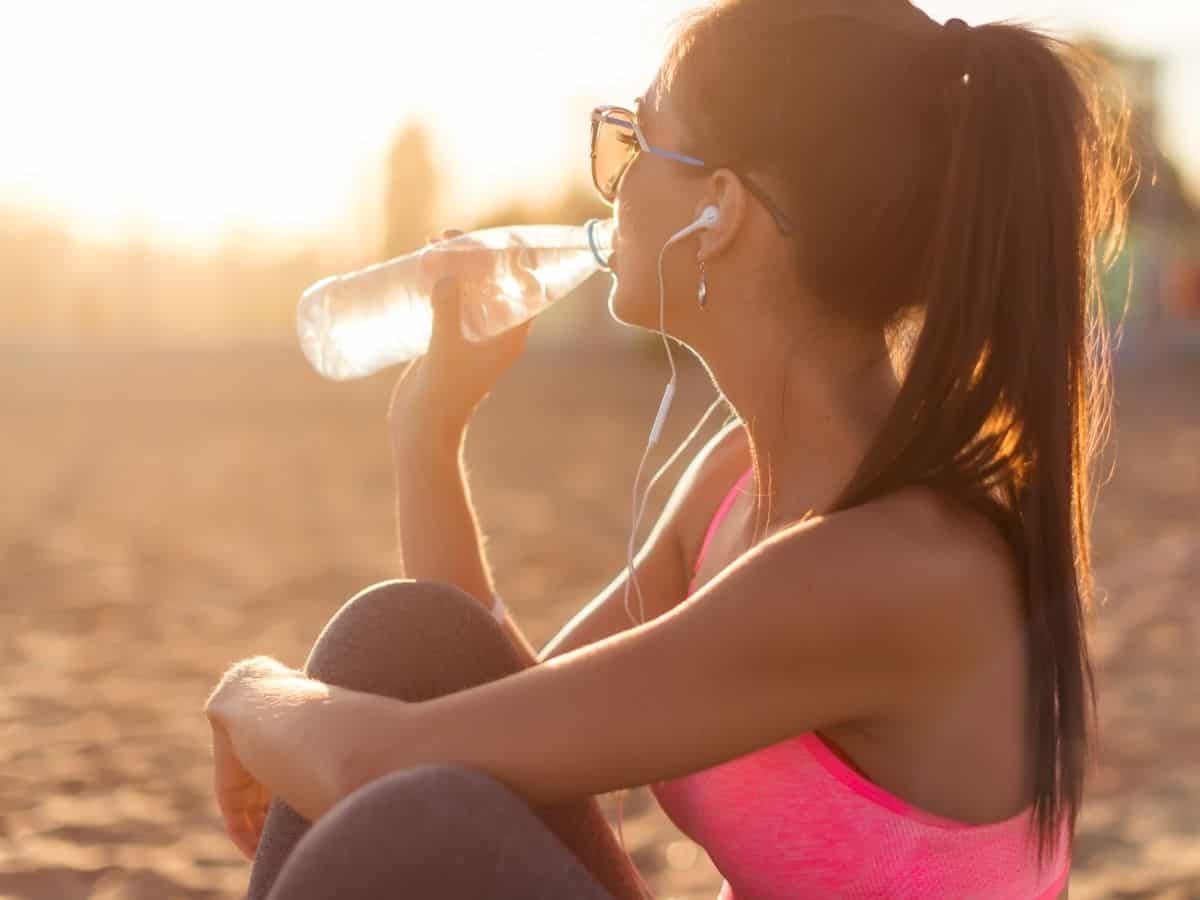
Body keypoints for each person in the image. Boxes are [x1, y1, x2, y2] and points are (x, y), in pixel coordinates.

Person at [204, 1, 1130, 897]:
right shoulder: (738, 477)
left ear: (716, 210)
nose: (612, 174)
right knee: (406, 637)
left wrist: (247, 695)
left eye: (637, 139)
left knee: (417, 818)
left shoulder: (894, 569)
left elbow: (383, 767)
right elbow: (498, 713)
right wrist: (430, 425)